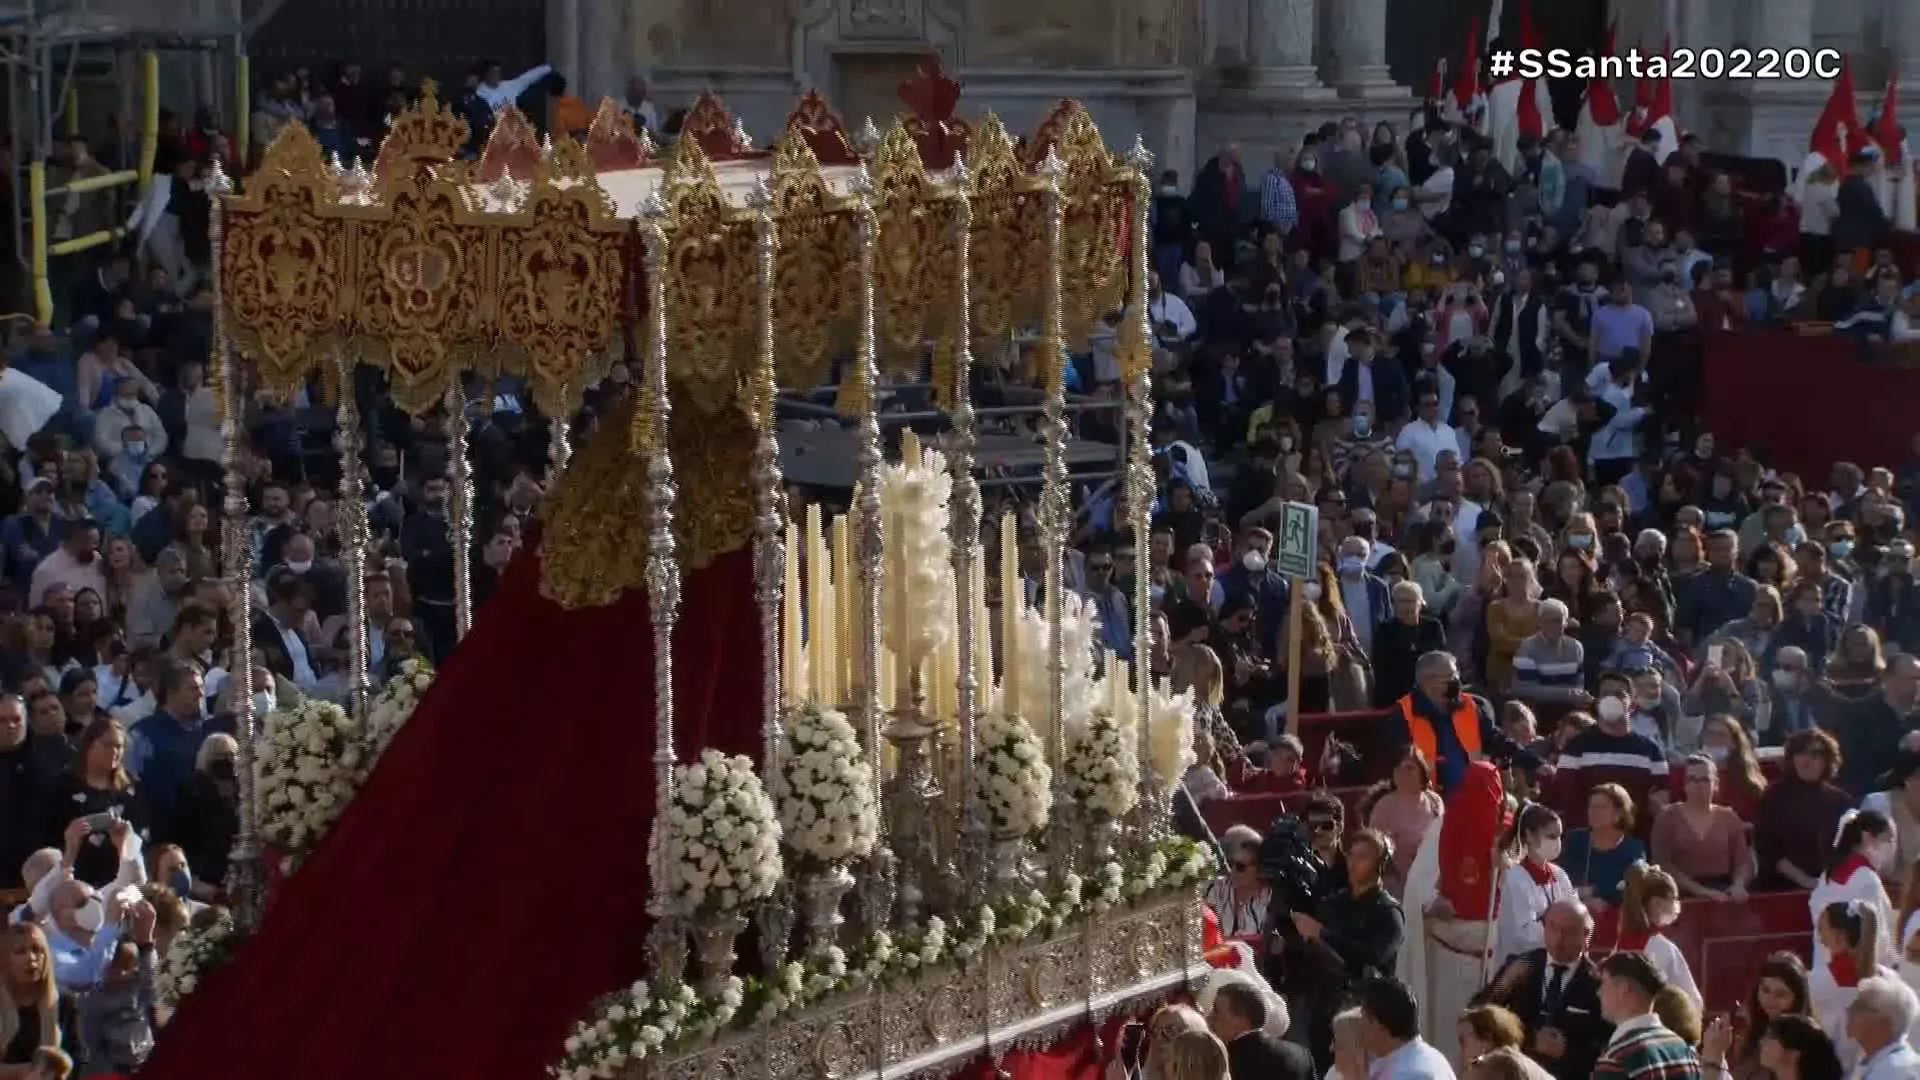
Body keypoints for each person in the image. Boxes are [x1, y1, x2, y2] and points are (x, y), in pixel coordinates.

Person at [1402, 762, 1507, 1057]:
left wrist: (1505, 864)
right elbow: (1416, 886)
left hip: (1493, 958)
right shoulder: (1443, 827)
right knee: (1449, 1038)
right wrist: (1432, 901)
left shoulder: (1507, 833)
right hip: (1449, 958)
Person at [1472, 899, 1612, 1080]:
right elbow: (1475, 1014)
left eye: (1568, 931)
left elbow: (1607, 1045)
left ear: (1586, 935)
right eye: (1553, 928)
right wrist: (1503, 985)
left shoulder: (1598, 982)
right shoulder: (1521, 966)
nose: (1559, 938)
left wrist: (1567, 1051)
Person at [1393, 650, 1541, 794]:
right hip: (1426, 803)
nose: (1457, 681)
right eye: (1450, 677)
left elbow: (1497, 741)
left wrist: (1533, 762)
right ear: (1429, 681)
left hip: (1470, 797)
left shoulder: (1472, 707)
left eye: (1457, 674)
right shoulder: (1402, 714)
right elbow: (1395, 764)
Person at [1755, 730, 1856, 891]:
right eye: (1800, 752)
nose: (1807, 759)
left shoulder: (1841, 801)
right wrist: (1807, 882)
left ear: (1827, 760)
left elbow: (1849, 848)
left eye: (1816, 753)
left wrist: (1829, 882)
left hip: (1831, 888)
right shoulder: (1774, 796)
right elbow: (1769, 850)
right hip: (1781, 890)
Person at [1650, 754, 1753, 902]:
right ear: (1684, 784)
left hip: (1722, 893)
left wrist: (1739, 884)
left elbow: (1742, 862)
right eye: (1692, 779)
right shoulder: (1667, 816)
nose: (1698, 785)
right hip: (1680, 894)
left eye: (1705, 780)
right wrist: (1701, 891)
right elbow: (1662, 863)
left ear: (1715, 783)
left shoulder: (1729, 817)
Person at [1809, 900, 1896, 1070]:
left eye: (1822, 930)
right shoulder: (1890, 979)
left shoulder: (1814, 982)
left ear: (1839, 937)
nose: (1820, 939)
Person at [1810, 810, 1899, 971]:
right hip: (1860, 974)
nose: (1892, 847)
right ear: (1867, 837)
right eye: (1888, 839)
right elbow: (1880, 938)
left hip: (1825, 971)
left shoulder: (1827, 875)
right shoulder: (1867, 880)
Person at [1591, 952, 1702, 1080]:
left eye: (1604, 982)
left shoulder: (1616, 1059)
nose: (1599, 992)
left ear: (1623, 989)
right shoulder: (1682, 1048)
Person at [1495, 804, 1577, 968]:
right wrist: (1561, 926)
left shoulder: (1560, 875)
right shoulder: (1514, 879)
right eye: (1550, 836)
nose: (1557, 842)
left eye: (1559, 836)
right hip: (1520, 969)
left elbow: (1576, 915)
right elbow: (1524, 934)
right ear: (1530, 836)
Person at [1615, 863, 1703, 1009]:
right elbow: (1693, 1001)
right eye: (1673, 899)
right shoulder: (1664, 948)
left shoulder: (1619, 946)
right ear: (1656, 903)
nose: (1677, 905)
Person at [1558, 783, 1647, 911]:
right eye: (1592, 807)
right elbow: (1562, 881)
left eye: (1601, 807)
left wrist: (1594, 890)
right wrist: (1587, 899)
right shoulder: (1576, 840)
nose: (1594, 812)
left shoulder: (1633, 848)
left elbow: (1632, 886)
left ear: (1619, 812)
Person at [0, 922, 76, 1072]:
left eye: (37, 950)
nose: (31, 958)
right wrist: (31, 1071)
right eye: (20, 951)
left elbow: (76, 1059)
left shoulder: (63, 1003)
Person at [1207, 979, 1312, 1080]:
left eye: (1216, 1012)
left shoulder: (1226, 1063)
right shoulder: (1301, 1054)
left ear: (1242, 1021)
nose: (1209, 1018)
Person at [1361, 976, 1457, 1080]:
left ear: (1378, 1025)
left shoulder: (1407, 1074)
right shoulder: (1434, 1059)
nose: (1360, 1024)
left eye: (1363, 1017)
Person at [1844, 977, 1920, 1080]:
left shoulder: (1896, 1072)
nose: (1849, 1010)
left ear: (1883, 1022)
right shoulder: (1878, 1061)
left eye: (1859, 1006)